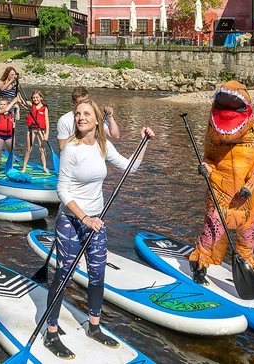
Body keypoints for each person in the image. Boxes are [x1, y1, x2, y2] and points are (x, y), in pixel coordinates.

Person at [43, 100, 155, 359]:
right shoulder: (71, 149)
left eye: (86, 114)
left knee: (97, 274)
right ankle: (51, 332)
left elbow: (131, 167)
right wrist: (84, 219)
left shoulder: (104, 145)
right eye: (78, 114)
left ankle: (94, 327)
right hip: (72, 221)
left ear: (96, 120)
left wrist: (144, 142)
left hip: (96, 221)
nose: (81, 118)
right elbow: (62, 191)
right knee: (64, 275)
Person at [189, 80, 254, 285]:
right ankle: (200, 266)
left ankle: (247, 268)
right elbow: (210, 161)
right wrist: (205, 168)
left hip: (245, 208)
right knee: (210, 235)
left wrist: (249, 188)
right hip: (220, 201)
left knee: (247, 239)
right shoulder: (213, 137)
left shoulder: (253, 141)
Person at [56, 86, 120, 148]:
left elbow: (115, 135)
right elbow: (62, 147)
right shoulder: (64, 120)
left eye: (87, 101)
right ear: (73, 103)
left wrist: (110, 117)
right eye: (80, 103)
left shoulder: (95, 116)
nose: (85, 104)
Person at [21, 90, 50, 174]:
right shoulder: (31, 105)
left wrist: (47, 133)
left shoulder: (45, 108)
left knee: (42, 148)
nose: (35, 99)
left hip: (41, 130)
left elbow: (47, 121)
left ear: (41, 98)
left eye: (37, 97)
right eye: (33, 98)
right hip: (31, 130)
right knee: (28, 149)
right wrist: (18, 94)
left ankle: (44, 167)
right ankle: (24, 167)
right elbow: (23, 102)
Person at [0, 96, 19, 175]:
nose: (2, 106)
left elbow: (17, 118)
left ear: (7, 104)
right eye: (1, 104)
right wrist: (13, 102)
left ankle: (10, 167)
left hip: (8, 136)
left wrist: (17, 109)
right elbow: (5, 110)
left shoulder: (11, 114)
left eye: (4, 104)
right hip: (0, 136)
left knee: (11, 152)